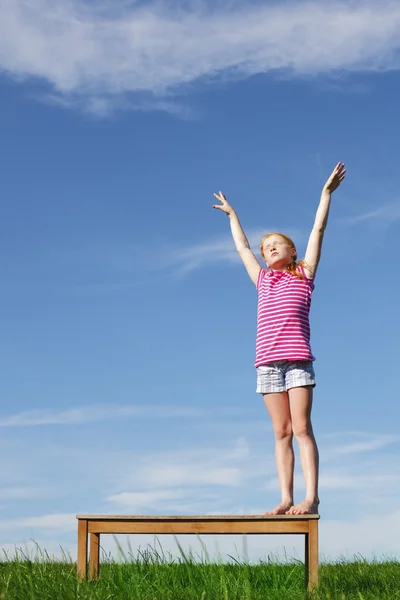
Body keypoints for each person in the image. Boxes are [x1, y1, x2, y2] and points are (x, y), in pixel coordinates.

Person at [212, 162, 346, 515]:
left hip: (298, 360)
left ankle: (311, 496)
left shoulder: (303, 274)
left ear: (292, 252)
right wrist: (232, 215)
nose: (269, 248)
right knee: (281, 432)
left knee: (302, 428)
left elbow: (318, 228)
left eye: (277, 244)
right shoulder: (261, 281)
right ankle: (286, 497)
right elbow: (242, 248)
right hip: (267, 364)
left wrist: (325, 194)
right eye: (266, 246)